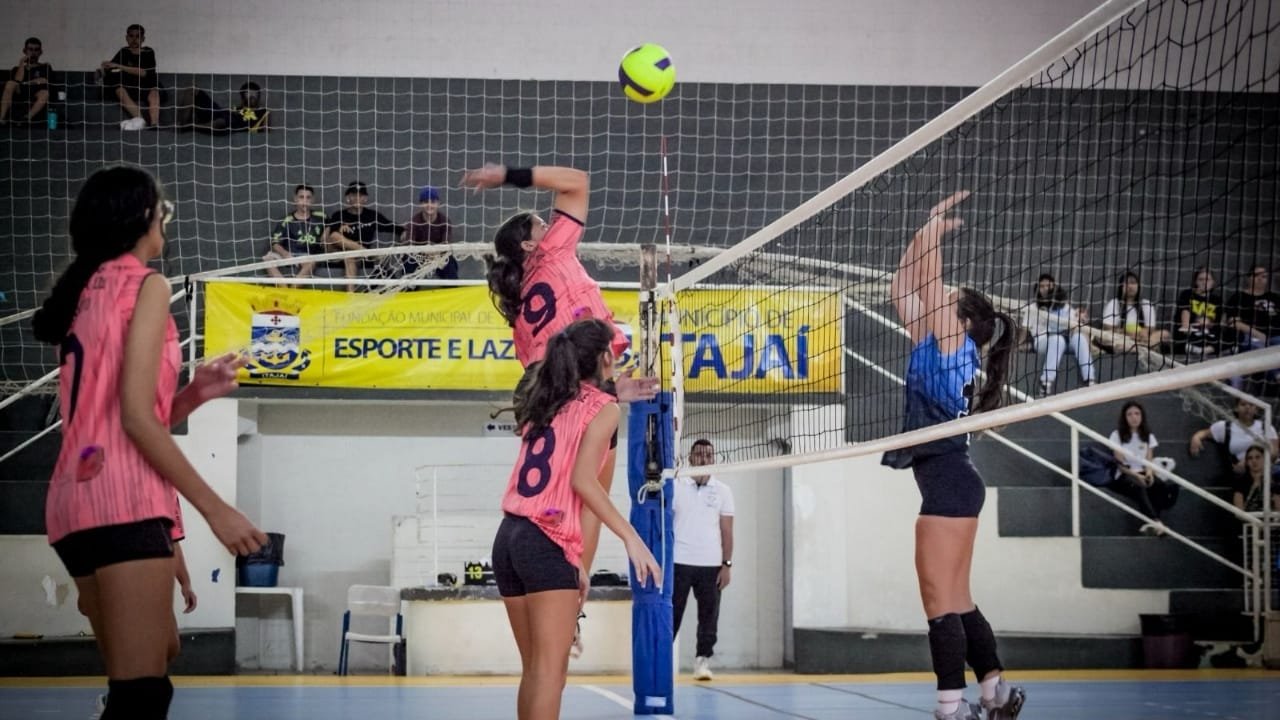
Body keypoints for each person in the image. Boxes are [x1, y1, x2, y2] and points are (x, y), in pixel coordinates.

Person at [31, 165, 266, 719]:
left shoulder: (86, 291)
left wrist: (193, 395)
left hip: (73, 502)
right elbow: (137, 421)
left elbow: (118, 416)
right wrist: (217, 511)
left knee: (158, 652)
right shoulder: (148, 283)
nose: (166, 218)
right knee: (143, 693)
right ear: (143, 215)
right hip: (120, 501)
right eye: (163, 209)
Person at [463, 161, 659, 589]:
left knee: (565, 497)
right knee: (589, 499)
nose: (548, 225)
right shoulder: (553, 251)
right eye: (539, 224)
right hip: (584, 396)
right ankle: (575, 590)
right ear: (532, 246)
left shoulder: (520, 318)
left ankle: (569, 588)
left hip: (549, 403)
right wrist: (508, 177)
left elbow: (541, 376)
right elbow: (577, 182)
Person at [880, 191, 1024, 720]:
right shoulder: (932, 343)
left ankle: (950, 707)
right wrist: (924, 231)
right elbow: (905, 284)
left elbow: (929, 286)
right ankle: (996, 693)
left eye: (949, 303)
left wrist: (935, 230)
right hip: (952, 480)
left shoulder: (952, 347)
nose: (938, 301)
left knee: (939, 600)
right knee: (956, 597)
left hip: (948, 481)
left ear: (961, 322)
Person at [491, 318, 662, 720]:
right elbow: (584, 481)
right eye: (615, 353)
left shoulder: (545, 399)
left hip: (509, 538)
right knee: (552, 673)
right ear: (605, 357)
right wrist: (631, 537)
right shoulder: (604, 410)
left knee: (535, 669)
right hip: (544, 540)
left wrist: (574, 560)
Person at [672, 438, 734, 681]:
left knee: (709, 616)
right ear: (690, 458)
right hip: (679, 561)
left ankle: (702, 662)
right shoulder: (676, 485)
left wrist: (726, 565)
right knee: (672, 614)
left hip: (711, 564)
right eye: (699, 454)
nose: (704, 459)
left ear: (714, 458)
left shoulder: (723, 491)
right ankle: (663, 662)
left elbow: (727, 531)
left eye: (709, 455)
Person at [1107, 401, 1178, 535]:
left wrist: (1149, 473)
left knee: (1158, 485)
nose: (1134, 417)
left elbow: (1149, 460)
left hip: (1142, 471)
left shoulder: (1147, 435)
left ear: (1142, 416)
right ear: (1125, 417)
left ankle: (1152, 522)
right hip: (1123, 474)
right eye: (1130, 414)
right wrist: (1137, 476)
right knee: (1139, 487)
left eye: (1137, 413)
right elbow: (1120, 465)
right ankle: (1155, 522)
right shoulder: (1116, 435)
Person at [1021, 273, 1094, 396]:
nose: (1045, 288)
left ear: (1054, 287)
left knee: (1079, 338)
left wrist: (1081, 318)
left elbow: (1075, 325)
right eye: (1042, 286)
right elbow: (1024, 329)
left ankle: (1089, 379)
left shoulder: (1064, 306)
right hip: (1043, 341)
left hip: (1067, 341)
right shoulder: (1032, 307)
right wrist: (1018, 345)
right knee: (1057, 339)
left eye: (1048, 285)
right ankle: (1046, 382)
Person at [384, 185, 458, 281]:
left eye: (433, 202)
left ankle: (452, 289)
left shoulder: (444, 221)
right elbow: (409, 244)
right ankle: (410, 290)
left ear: (438, 203)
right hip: (418, 256)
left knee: (449, 262)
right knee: (408, 261)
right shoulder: (414, 221)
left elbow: (446, 242)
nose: (429, 205)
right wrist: (425, 251)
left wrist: (436, 252)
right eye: (426, 202)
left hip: (438, 254)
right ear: (421, 204)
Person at [1189, 398, 1279, 477]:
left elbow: (1274, 452)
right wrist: (1196, 438)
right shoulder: (1225, 427)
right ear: (1236, 408)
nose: (1247, 407)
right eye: (1243, 404)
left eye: (1251, 405)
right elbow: (1204, 433)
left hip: (1268, 469)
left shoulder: (1266, 427)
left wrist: (1248, 462)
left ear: (1256, 409)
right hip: (1242, 475)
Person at [1225, 264, 1280, 390]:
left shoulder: (1275, 298)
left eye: (1264, 276)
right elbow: (1232, 322)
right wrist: (1257, 334)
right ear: (1249, 278)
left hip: (1276, 337)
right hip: (1251, 337)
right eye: (1257, 275)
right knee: (1260, 347)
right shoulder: (1239, 297)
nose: (1261, 278)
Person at [264, 184, 332, 287]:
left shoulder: (321, 217)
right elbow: (275, 243)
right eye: (301, 197)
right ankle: (285, 290)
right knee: (267, 260)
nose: (304, 201)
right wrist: (285, 253)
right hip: (290, 254)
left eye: (308, 197)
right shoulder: (287, 220)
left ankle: (292, 291)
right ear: (295, 199)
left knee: (311, 262)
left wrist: (327, 230)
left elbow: (333, 223)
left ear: (312, 200)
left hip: (308, 256)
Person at [101, 24, 159, 130]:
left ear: (143, 39)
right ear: (127, 38)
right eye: (131, 36)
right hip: (129, 86)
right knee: (118, 89)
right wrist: (103, 70)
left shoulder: (148, 51)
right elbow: (110, 69)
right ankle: (140, 121)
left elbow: (144, 73)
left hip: (146, 85)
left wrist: (119, 66)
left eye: (138, 36)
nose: (134, 40)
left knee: (154, 93)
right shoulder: (123, 51)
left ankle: (155, 125)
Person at [1101, 270, 1169, 352]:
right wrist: (1127, 333)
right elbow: (1108, 329)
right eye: (1126, 283)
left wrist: (1143, 332)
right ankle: (1143, 349)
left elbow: (1151, 329)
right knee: (1105, 338)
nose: (1130, 286)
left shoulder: (1146, 304)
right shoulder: (1114, 303)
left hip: (1143, 340)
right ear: (1121, 287)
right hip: (1122, 339)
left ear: (1138, 286)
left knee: (1164, 334)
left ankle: (1140, 348)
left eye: (1133, 283)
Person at [175, 81, 269, 133]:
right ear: (242, 97)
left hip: (233, 125)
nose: (252, 96)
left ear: (259, 96)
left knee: (222, 121)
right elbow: (224, 112)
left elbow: (265, 134)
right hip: (221, 114)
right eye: (248, 93)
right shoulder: (237, 108)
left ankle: (191, 127)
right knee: (193, 89)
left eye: (254, 94)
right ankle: (181, 124)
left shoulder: (263, 111)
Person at [1173, 268, 1223, 360]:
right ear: (1195, 281)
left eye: (1207, 279)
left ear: (1213, 282)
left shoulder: (1217, 300)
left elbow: (1218, 323)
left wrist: (1208, 322)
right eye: (1201, 279)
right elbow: (1185, 312)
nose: (1204, 282)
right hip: (1192, 333)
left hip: (1209, 335)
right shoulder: (1187, 294)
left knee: (1232, 333)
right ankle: (1201, 349)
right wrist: (1187, 327)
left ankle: (1204, 350)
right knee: (1182, 337)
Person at [0, 37, 52, 124]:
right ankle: (2, 118)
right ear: (25, 51)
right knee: (10, 83)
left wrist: (26, 83)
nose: (33, 52)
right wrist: (21, 64)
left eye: (36, 50)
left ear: (40, 52)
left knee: (45, 93)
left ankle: (26, 118)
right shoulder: (17, 68)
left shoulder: (45, 66)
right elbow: (17, 80)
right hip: (20, 91)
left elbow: (44, 80)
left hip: (36, 92)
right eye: (30, 49)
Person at [1233, 445, 1280, 513]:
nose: (1254, 461)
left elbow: (1278, 509)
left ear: (1264, 459)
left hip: (1270, 521)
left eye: (1258, 457)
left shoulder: (1274, 481)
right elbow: (1239, 511)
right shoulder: (1240, 482)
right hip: (1248, 521)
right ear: (1247, 462)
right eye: (1250, 458)